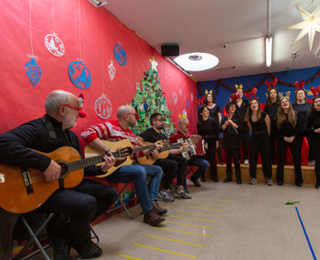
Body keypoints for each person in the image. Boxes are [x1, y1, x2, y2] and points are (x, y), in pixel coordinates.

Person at [0, 90, 118, 260]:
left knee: (109, 193)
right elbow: (2, 143)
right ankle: (81, 242)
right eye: (76, 110)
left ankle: (64, 236)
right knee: (86, 202)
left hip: (65, 185)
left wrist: (102, 169)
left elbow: (76, 169)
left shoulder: (71, 136)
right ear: (63, 110)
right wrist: (44, 163)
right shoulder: (36, 128)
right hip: (40, 191)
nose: (79, 114)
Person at [81, 105, 166, 226]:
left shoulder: (131, 134)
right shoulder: (110, 126)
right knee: (140, 170)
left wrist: (151, 148)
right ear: (127, 116)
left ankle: (152, 202)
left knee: (158, 169)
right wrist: (108, 149)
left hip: (128, 167)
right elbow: (86, 133)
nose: (137, 117)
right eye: (135, 115)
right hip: (111, 169)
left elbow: (136, 154)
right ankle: (148, 212)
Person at [138, 113, 192, 201]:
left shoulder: (163, 136)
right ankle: (164, 190)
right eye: (161, 120)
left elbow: (168, 150)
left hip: (162, 158)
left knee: (182, 160)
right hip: (152, 160)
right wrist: (150, 148)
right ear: (154, 122)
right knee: (173, 164)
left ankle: (179, 189)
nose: (164, 122)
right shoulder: (149, 132)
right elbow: (137, 139)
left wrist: (181, 150)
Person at [169, 118, 210, 187]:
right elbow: (168, 147)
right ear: (180, 125)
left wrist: (203, 147)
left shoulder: (189, 135)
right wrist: (177, 146)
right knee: (183, 165)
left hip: (191, 158)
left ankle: (194, 178)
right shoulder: (175, 136)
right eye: (185, 124)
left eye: (188, 124)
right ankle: (183, 187)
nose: (187, 126)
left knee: (205, 163)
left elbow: (195, 147)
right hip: (180, 159)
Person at [245, 98, 273, 185]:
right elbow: (251, 129)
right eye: (252, 104)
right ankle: (253, 177)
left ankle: (269, 177)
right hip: (254, 137)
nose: (254, 105)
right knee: (252, 157)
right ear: (250, 107)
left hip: (264, 137)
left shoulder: (264, 115)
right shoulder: (248, 117)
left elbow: (268, 128)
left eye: (255, 103)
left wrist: (266, 138)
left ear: (258, 105)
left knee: (266, 157)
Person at [276, 98, 303, 186]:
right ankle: (280, 179)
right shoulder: (278, 115)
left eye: (286, 101)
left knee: (296, 159)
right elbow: (277, 129)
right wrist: (284, 137)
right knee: (280, 159)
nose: (284, 103)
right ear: (281, 105)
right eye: (282, 102)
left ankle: (299, 180)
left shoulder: (296, 114)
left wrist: (293, 136)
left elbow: (299, 127)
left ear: (289, 103)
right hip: (282, 139)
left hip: (295, 138)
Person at [226, 86, 250, 165]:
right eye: (238, 92)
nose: (239, 93)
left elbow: (249, 112)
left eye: (241, 92)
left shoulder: (246, 102)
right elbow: (229, 111)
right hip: (236, 125)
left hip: (245, 126)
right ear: (235, 94)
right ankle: (238, 159)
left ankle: (246, 159)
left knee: (246, 143)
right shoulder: (233, 103)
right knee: (237, 143)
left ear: (242, 94)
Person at [292, 84, 315, 166]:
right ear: (296, 96)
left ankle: (312, 159)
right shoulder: (292, 106)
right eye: (298, 94)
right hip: (297, 129)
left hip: (309, 128)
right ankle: (297, 161)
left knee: (312, 144)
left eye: (302, 93)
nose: (300, 95)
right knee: (297, 146)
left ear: (305, 95)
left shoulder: (310, 105)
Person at [221, 100, 242, 184]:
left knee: (236, 160)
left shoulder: (238, 117)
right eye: (231, 106)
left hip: (236, 141)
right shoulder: (224, 118)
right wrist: (225, 124)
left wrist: (233, 124)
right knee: (228, 160)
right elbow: (220, 129)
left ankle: (238, 177)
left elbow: (241, 129)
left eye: (234, 107)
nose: (233, 108)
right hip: (226, 141)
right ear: (228, 108)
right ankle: (228, 176)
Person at [197, 107, 220, 182]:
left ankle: (215, 176)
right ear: (201, 113)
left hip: (212, 141)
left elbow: (217, 132)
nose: (207, 112)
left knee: (213, 159)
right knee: (204, 159)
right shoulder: (199, 123)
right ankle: (203, 176)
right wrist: (203, 144)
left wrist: (217, 141)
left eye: (207, 110)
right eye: (205, 111)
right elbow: (199, 135)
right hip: (204, 142)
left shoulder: (212, 121)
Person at [205, 93, 224, 165]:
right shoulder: (205, 107)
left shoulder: (216, 106)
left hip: (215, 128)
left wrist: (219, 125)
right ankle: (210, 161)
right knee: (209, 145)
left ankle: (221, 160)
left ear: (212, 98)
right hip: (208, 128)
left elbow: (219, 116)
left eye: (210, 96)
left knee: (217, 144)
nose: (209, 97)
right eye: (208, 96)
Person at [264, 83, 280, 162]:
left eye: (274, 92)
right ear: (269, 95)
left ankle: (280, 159)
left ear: (276, 94)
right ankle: (271, 159)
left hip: (279, 124)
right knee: (271, 143)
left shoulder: (280, 103)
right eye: (271, 93)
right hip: (270, 125)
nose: (273, 94)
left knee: (280, 142)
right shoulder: (267, 105)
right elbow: (265, 117)